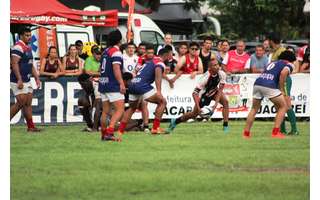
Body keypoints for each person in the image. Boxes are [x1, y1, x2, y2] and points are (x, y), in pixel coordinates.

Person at [242, 50, 297, 139]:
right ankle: (275, 133)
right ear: (291, 59)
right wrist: (282, 89)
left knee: (254, 109)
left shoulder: (274, 62)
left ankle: (246, 133)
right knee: (283, 107)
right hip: (269, 85)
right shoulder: (289, 64)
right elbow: (283, 73)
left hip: (258, 83)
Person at [166, 59, 229, 133]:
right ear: (210, 68)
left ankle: (225, 126)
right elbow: (194, 93)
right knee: (193, 115)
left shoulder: (222, 74)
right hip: (203, 96)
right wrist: (198, 108)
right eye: (214, 65)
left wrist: (215, 104)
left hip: (214, 91)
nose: (217, 67)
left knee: (225, 102)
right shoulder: (205, 78)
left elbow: (220, 90)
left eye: (217, 64)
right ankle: (175, 121)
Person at [117, 48, 169, 135]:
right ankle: (155, 128)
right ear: (167, 55)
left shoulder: (150, 61)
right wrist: (159, 91)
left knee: (132, 108)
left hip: (133, 84)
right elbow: (158, 75)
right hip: (142, 85)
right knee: (162, 102)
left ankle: (120, 131)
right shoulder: (159, 62)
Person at [10, 27, 41, 132]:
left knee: (28, 102)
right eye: (27, 35)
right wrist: (19, 79)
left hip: (27, 79)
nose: (29, 37)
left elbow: (30, 64)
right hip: (18, 80)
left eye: (29, 35)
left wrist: (36, 78)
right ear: (21, 36)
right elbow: (14, 63)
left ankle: (31, 127)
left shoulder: (28, 47)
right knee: (21, 102)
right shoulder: (17, 47)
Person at [99, 29, 126, 141]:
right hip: (112, 84)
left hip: (103, 83)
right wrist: (121, 83)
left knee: (105, 111)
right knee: (120, 109)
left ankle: (103, 134)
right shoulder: (116, 52)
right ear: (119, 39)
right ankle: (110, 132)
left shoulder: (105, 51)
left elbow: (99, 68)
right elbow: (116, 68)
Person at [82, 45, 103, 131]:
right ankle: (94, 125)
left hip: (103, 83)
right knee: (96, 102)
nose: (99, 56)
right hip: (93, 84)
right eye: (97, 54)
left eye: (100, 54)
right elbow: (87, 72)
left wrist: (95, 73)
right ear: (93, 54)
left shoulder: (104, 59)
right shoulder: (89, 59)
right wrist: (99, 73)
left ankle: (97, 125)